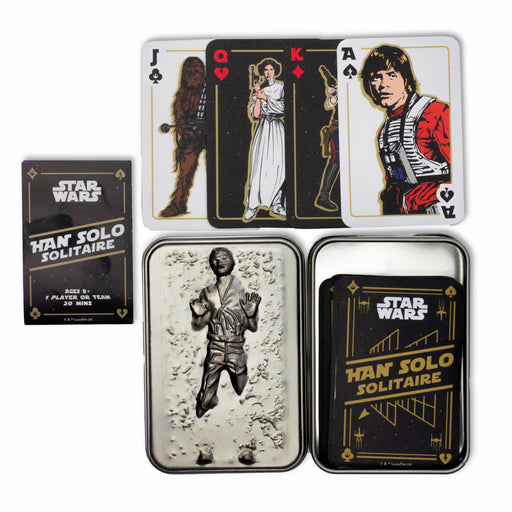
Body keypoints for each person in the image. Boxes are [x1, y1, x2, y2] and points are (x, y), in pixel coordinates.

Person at [359, 45, 450, 215]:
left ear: (406, 79)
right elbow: (395, 179)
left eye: (392, 75)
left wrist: (419, 198)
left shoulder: (436, 113)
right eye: (376, 77)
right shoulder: (384, 132)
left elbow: (463, 176)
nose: (383, 85)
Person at [191, 247, 261, 418]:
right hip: (215, 346)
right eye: (215, 259)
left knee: (240, 387)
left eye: (224, 258)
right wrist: (198, 315)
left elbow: (252, 327)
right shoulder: (207, 292)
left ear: (233, 261)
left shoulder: (242, 293)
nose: (219, 262)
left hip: (236, 347)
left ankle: (240, 374)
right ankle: (210, 402)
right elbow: (199, 325)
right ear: (211, 264)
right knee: (204, 402)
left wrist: (251, 315)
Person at [159, 57, 206, 217]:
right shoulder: (182, 94)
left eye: (196, 72)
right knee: (185, 172)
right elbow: (179, 119)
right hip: (191, 137)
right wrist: (187, 132)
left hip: (211, 135)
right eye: (189, 72)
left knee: (217, 169)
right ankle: (178, 204)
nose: (192, 76)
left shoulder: (210, 92)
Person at [244, 58, 286, 221]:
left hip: (277, 129)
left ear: (275, 71)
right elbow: (255, 115)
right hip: (263, 130)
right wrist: (258, 96)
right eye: (266, 70)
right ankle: (252, 206)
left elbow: (284, 108)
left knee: (278, 166)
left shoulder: (281, 87)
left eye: (271, 69)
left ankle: (277, 204)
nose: (268, 73)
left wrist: (267, 98)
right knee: (259, 168)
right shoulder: (259, 89)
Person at [315, 65, 340, 212]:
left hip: (354, 129)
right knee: (336, 159)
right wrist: (333, 96)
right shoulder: (336, 90)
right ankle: (323, 197)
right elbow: (328, 105)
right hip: (338, 128)